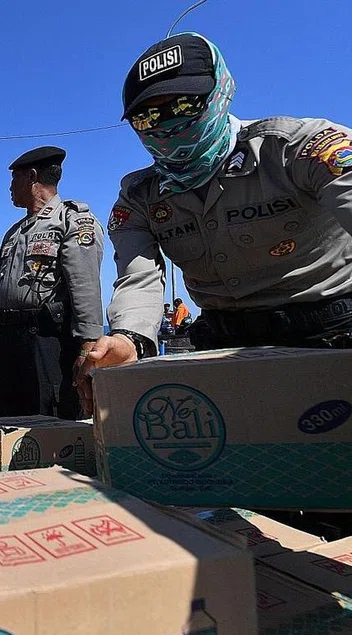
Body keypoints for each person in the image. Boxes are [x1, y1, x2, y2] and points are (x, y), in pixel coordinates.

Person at [78, 31, 352, 410]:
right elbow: (138, 278)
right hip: (221, 348)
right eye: (148, 117)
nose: (167, 125)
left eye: (186, 106)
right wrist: (128, 340)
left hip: (332, 335)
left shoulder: (297, 149)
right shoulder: (138, 196)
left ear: (220, 93)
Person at [0, 146, 104, 419]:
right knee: (4, 419)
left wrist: (89, 349)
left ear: (31, 177)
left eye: (13, 180)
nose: (9, 188)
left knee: (46, 420)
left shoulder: (73, 220)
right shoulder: (14, 233)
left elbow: (84, 287)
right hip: (10, 341)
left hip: (48, 341)